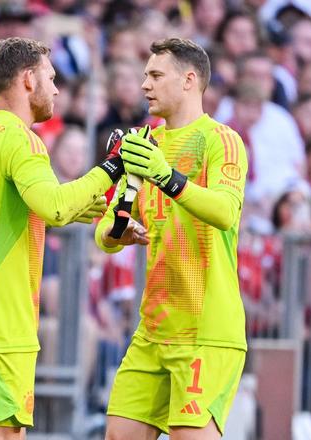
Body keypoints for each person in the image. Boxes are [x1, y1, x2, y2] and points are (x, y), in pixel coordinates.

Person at [0, 37, 124, 440]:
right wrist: (112, 167)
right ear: (27, 79)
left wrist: (79, 206)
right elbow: (54, 206)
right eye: (50, 78)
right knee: (3, 436)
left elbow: (24, 210)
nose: (56, 90)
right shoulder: (21, 139)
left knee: (5, 434)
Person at [96, 38, 247, 440]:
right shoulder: (143, 142)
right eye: (145, 75)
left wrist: (166, 177)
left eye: (155, 75)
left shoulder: (220, 139)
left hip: (205, 332)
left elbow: (224, 212)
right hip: (153, 329)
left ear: (189, 80)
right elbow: (105, 233)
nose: (144, 84)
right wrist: (119, 231)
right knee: (118, 436)